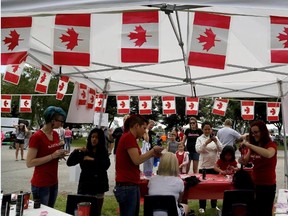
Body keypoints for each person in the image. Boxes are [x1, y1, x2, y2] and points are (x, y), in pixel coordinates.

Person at [114, 114, 163, 216]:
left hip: (130, 183)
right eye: (144, 128)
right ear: (136, 126)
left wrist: (152, 153)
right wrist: (152, 151)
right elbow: (137, 160)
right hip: (127, 185)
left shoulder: (130, 138)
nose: (145, 131)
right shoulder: (128, 138)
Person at [26, 106, 68, 208]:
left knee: (50, 211)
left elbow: (52, 154)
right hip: (41, 183)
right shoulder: (37, 137)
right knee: (42, 212)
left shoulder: (55, 134)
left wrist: (60, 154)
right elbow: (29, 162)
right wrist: (53, 155)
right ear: (52, 120)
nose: (62, 124)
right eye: (61, 121)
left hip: (53, 181)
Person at [67, 128, 110, 215]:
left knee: (96, 211)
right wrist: (76, 151)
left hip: (99, 184)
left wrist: (93, 159)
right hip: (85, 184)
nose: (94, 139)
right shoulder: (85, 151)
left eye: (97, 138)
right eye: (92, 137)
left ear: (100, 139)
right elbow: (70, 163)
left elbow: (105, 165)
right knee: (83, 210)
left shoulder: (103, 152)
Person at [238, 120, 277, 216]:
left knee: (265, 211)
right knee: (254, 211)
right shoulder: (253, 147)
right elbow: (245, 161)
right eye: (252, 132)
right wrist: (241, 159)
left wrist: (250, 145)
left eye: (256, 132)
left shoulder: (271, 145)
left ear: (263, 132)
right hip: (255, 182)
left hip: (268, 184)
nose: (254, 134)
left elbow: (268, 154)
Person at [195, 121, 223, 213]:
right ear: (202, 129)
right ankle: (202, 206)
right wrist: (206, 142)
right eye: (205, 129)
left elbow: (221, 149)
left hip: (214, 166)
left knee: (214, 187)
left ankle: (214, 205)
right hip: (204, 166)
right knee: (203, 187)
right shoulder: (199, 138)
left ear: (211, 129)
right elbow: (198, 150)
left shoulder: (216, 138)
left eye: (209, 129)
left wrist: (215, 141)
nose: (207, 131)